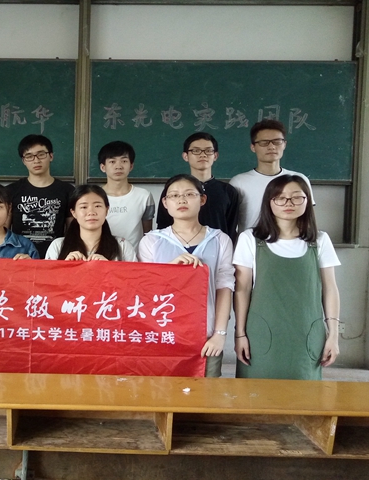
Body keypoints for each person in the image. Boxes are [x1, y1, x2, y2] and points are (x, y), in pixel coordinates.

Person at [233, 175, 340, 380]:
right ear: (269, 202)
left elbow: (330, 289)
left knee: (304, 393)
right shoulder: (250, 239)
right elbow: (242, 289)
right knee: (254, 393)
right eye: (280, 198)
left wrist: (333, 335)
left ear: (307, 201)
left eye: (296, 197)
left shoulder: (319, 240)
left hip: (307, 331)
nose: (288, 203)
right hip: (261, 333)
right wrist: (240, 334)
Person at [138, 174, 234, 377]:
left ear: (202, 199)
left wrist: (220, 334)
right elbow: (146, 289)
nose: (181, 200)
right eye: (174, 195)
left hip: (206, 337)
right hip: (162, 335)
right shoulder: (151, 241)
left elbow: (224, 288)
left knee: (206, 393)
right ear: (165, 203)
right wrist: (171, 270)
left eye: (189, 194)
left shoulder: (220, 240)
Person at [229, 119, 314, 233]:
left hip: (290, 241)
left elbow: (308, 217)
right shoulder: (239, 182)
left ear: (284, 144)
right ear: (253, 147)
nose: (271, 147)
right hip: (252, 241)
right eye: (264, 142)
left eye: (277, 141)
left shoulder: (299, 180)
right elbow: (230, 220)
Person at [156, 133, 239, 244]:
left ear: (215, 156)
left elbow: (231, 229)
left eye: (208, 151)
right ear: (185, 156)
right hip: (178, 249)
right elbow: (163, 226)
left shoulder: (228, 191)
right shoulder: (173, 190)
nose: (203, 155)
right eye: (196, 151)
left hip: (218, 249)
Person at [7, 134, 74, 258]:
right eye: (29, 156)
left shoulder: (67, 190)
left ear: (51, 156)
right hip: (19, 257)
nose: (36, 160)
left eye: (41, 154)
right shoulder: (11, 190)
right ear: (23, 161)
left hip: (54, 256)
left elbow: (72, 231)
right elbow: (4, 230)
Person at [45, 185, 136, 262]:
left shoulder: (122, 246)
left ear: (106, 210)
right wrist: (65, 267)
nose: (91, 212)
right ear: (73, 213)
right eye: (84, 207)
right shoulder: (58, 246)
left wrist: (108, 268)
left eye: (97, 206)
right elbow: (47, 277)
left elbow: (134, 277)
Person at [98, 140, 155, 248]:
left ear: (131, 166)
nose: (118, 166)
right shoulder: (94, 197)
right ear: (103, 167)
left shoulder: (144, 196)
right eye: (112, 162)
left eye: (124, 161)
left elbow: (147, 233)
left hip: (135, 256)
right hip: (102, 254)